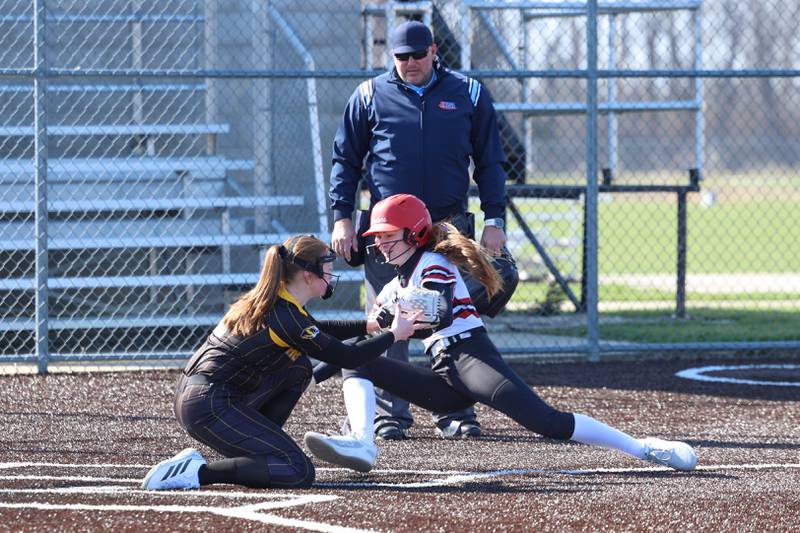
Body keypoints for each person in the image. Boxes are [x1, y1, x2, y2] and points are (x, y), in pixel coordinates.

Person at [304, 195, 698, 473]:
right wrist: (307, 350)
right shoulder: (394, 285)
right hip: (445, 371)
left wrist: (395, 320)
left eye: (389, 235)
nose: (380, 244)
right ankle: (362, 443)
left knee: (551, 424)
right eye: (378, 237)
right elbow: (367, 336)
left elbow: (438, 312)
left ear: (414, 234)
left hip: (471, 359)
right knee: (358, 354)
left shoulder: (433, 263)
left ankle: (643, 448)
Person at [329, 20, 509, 440]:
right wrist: (342, 217)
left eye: (416, 54)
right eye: (400, 56)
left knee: (450, 320)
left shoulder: (468, 92)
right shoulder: (369, 95)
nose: (409, 63)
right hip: (388, 227)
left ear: (433, 51)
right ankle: (389, 415)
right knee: (390, 320)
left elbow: (490, 162)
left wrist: (494, 220)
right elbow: (345, 161)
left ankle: (456, 411)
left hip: (448, 226)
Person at [141, 234, 426, 490]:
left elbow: (319, 330)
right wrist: (394, 334)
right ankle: (196, 473)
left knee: (298, 367)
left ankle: (259, 449)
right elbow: (346, 356)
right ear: (307, 274)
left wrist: (373, 325)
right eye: (326, 265)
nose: (331, 271)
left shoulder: (281, 302)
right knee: (296, 470)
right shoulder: (286, 315)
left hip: (203, 397)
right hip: (209, 404)